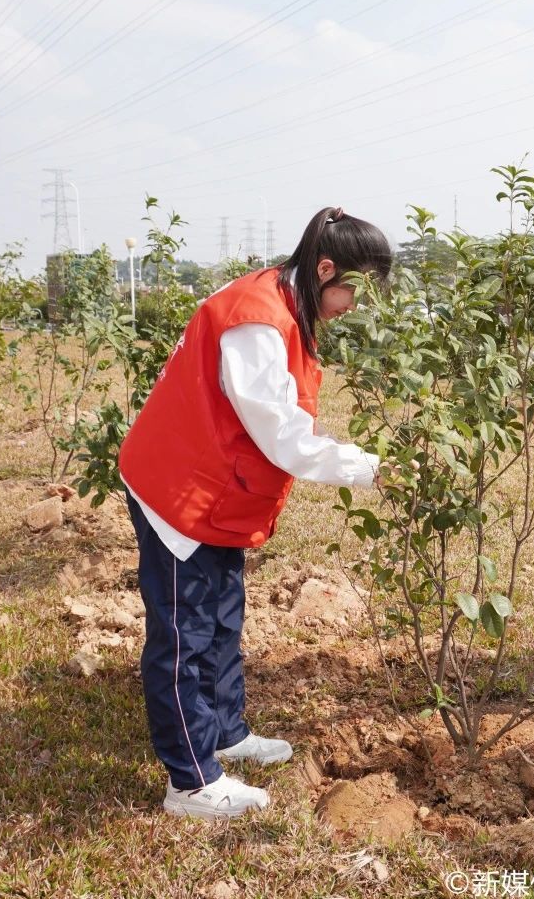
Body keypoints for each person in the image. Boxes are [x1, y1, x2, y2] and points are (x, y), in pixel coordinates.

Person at [118, 207, 392, 819]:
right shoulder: (258, 322)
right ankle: (190, 781)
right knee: (184, 634)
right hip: (180, 490)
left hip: (215, 489)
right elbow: (283, 436)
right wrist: (370, 468)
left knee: (222, 613)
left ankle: (224, 731)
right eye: (353, 292)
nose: (352, 307)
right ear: (326, 269)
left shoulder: (284, 301)